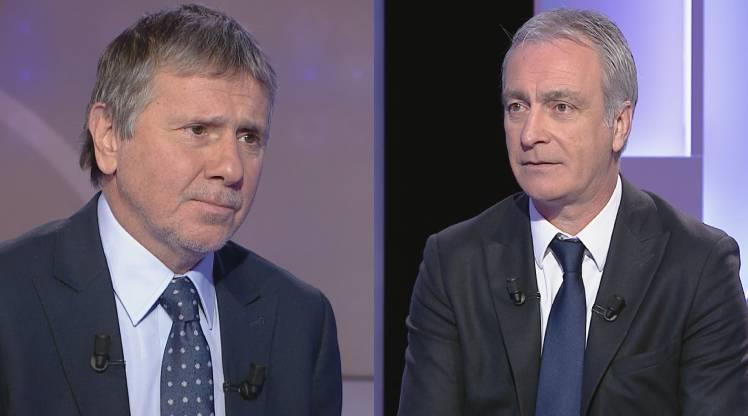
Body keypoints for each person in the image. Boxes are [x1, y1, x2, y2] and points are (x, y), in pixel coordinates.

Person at [398, 8, 748, 416]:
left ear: (620, 124)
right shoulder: (454, 263)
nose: (530, 134)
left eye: (560, 106)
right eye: (517, 107)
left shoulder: (698, 266)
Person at [0, 4, 341, 415]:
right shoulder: (11, 297)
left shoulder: (300, 322)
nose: (231, 168)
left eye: (249, 137)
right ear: (109, 136)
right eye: (198, 130)